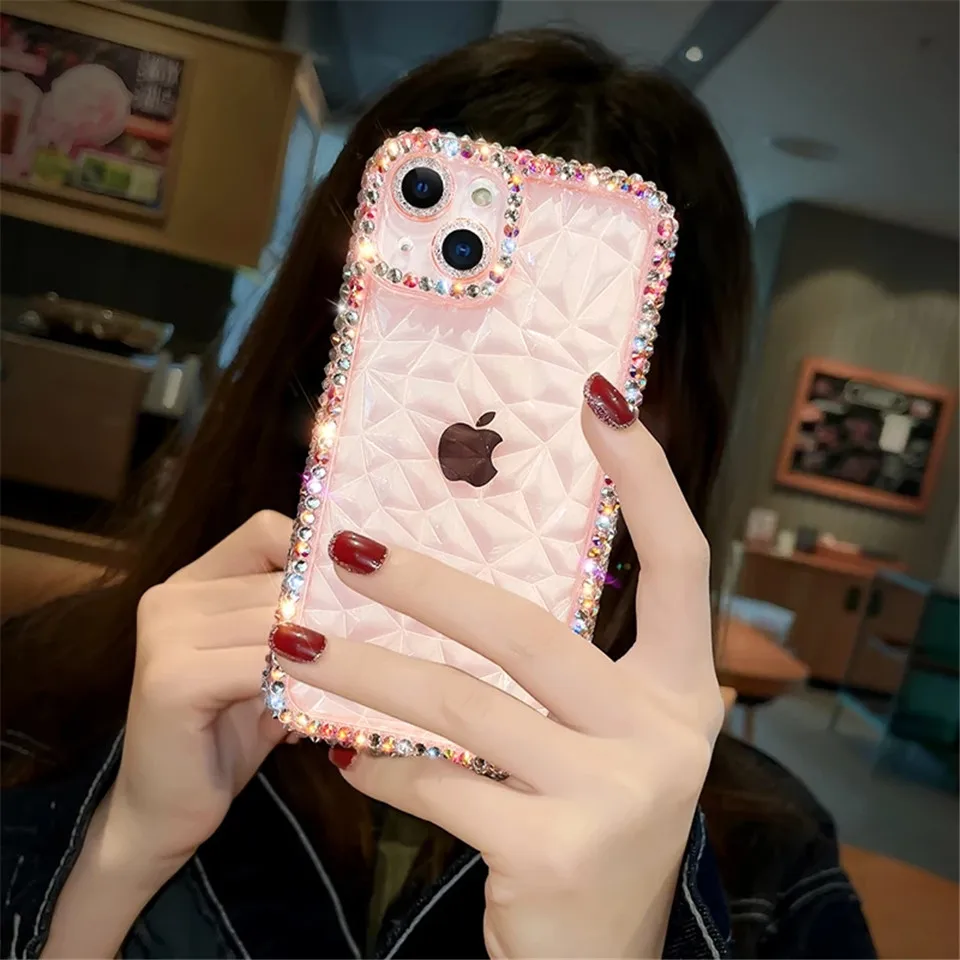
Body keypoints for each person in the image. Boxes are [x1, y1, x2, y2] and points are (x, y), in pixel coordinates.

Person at [1, 30, 874, 960]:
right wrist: (117, 857)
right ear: (322, 342)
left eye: (569, 368)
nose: (475, 434)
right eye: (429, 352)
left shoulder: (771, 865)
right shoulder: (47, 693)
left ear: (673, 417)